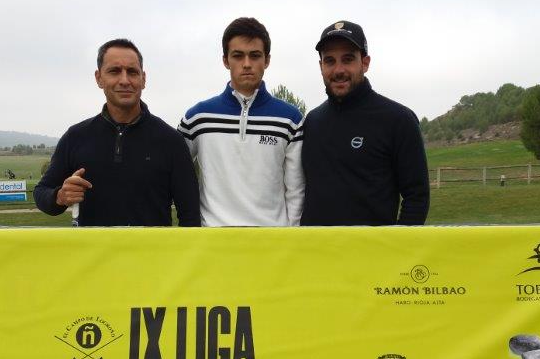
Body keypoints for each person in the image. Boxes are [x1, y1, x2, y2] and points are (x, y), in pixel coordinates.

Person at [34, 38, 200, 226]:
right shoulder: (76, 137)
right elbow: (41, 192)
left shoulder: (171, 141)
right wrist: (60, 197)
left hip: (153, 255)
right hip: (94, 255)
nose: (124, 80)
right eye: (114, 71)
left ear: (143, 79)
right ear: (99, 78)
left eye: (132, 72)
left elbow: (190, 214)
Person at [300, 20, 430, 226]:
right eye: (330, 61)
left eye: (348, 59)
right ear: (321, 66)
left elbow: (417, 197)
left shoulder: (398, 120)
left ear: (365, 62)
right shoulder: (312, 122)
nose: (338, 70)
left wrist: (398, 248)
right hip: (316, 254)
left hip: (374, 255)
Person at [178, 17, 304, 226]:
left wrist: (292, 239)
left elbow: (296, 190)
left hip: (272, 244)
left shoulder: (290, 119)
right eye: (238, 56)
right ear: (226, 60)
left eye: (255, 56)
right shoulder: (198, 118)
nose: (247, 64)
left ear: (267, 60)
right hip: (213, 243)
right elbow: (174, 172)